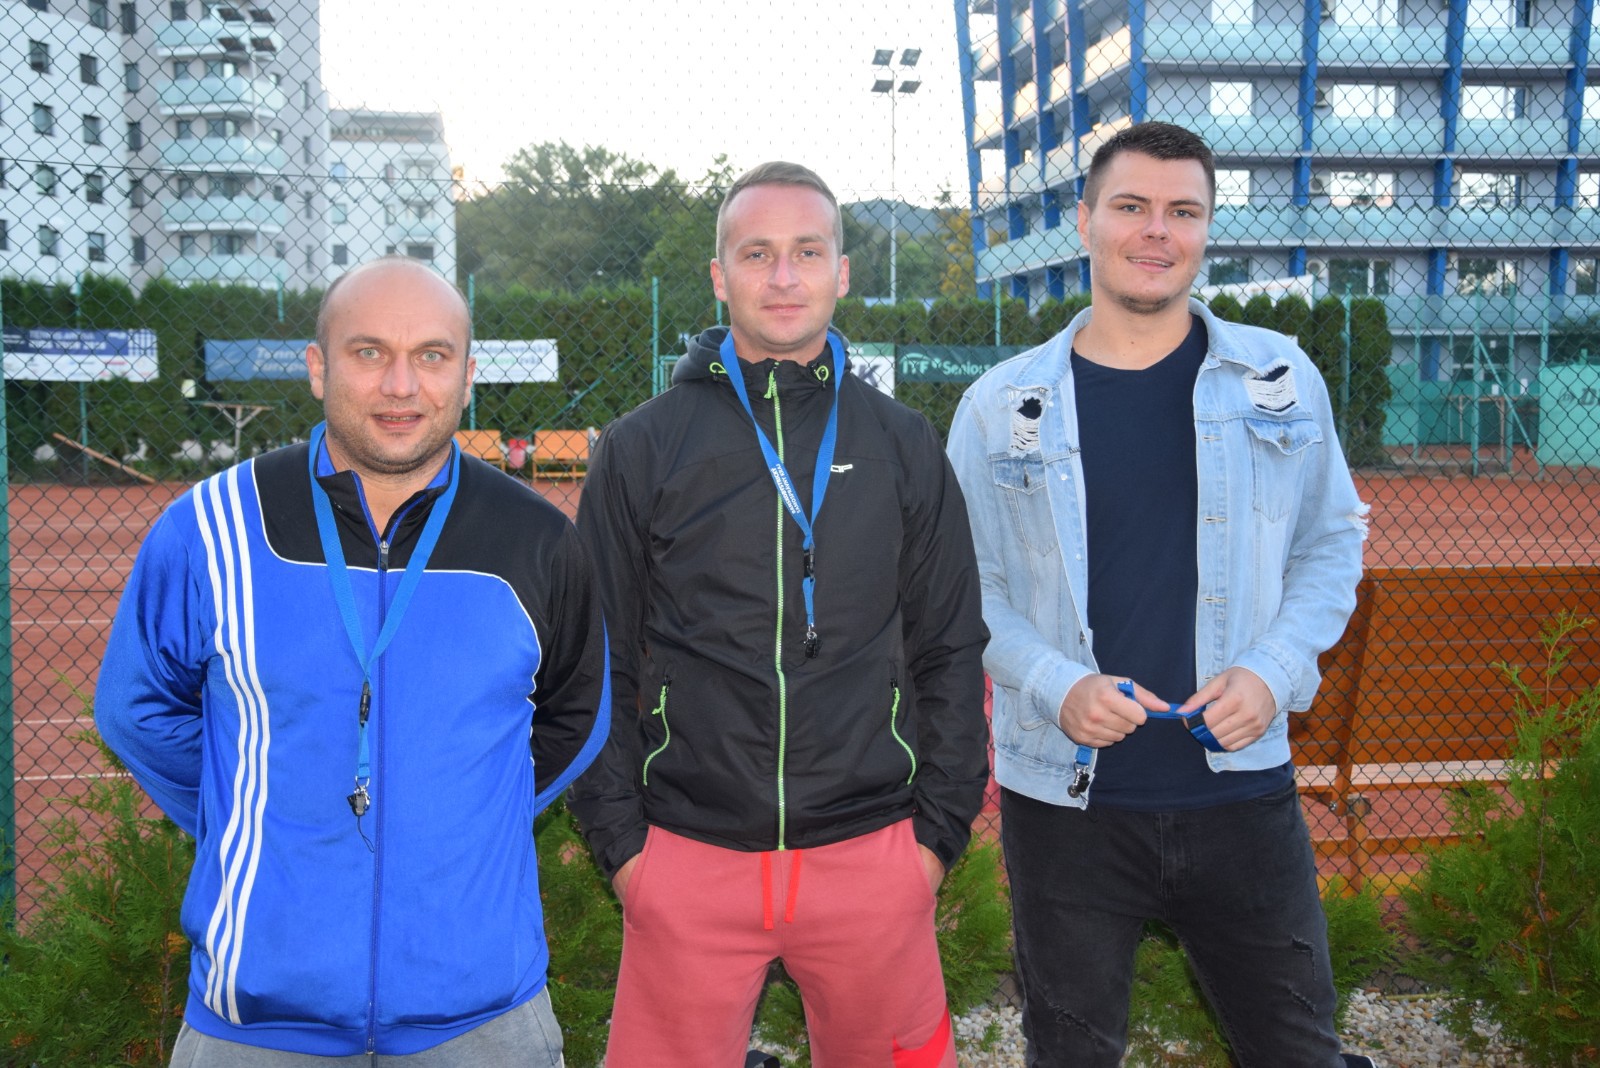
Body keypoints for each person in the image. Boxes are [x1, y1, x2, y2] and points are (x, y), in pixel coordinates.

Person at [95, 256, 610, 1065]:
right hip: (254, 1027)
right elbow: (137, 708)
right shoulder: (210, 527)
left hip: (484, 1022)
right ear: (318, 367)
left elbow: (575, 715)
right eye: (369, 352)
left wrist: (459, 813)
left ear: (467, 374)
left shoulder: (538, 540)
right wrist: (258, 811)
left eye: (432, 355)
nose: (401, 385)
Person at [947, 122, 1375, 1067]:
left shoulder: (1278, 376)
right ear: (1085, 221)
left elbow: (1332, 540)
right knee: (1071, 1056)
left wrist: (1272, 669)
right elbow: (965, 588)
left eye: (1183, 211)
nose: (1156, 231)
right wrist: (1057, 682)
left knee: (1299, 1051)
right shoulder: (999, 405)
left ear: (1207, 228)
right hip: (1066, 803)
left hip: (1243, 790)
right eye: (1132, 206)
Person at [567, 162, 990, 1068]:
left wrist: (934, 838)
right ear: (720, 277)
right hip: (688, 854)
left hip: (874, 853)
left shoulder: (904, 443)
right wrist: (627, 852)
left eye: (808, 251)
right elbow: (596, 659)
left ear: (844, 271)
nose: (785, 276)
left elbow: (950, 644)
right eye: (757, 254)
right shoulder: (642, 446)